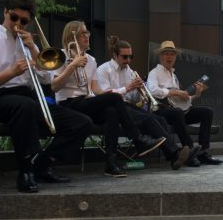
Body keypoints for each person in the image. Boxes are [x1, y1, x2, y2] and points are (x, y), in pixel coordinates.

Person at [0, 0, 93, 193]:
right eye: (14, 18)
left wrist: (34, 49)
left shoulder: (27, 44)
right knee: (25, 106)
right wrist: (12, 72)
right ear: (5, 12)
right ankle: (25, 172)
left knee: (82, 123)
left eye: (24, 21)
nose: (18, 24)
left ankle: (42, 163)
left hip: (28, 99)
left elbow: (47, 79)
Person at [52, 21, 166, 177]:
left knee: (112, 111)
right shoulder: (61, 55)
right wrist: (72, 66)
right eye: (82, 33)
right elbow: (54, 87)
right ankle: (138, 139)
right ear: (72, 36)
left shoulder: (91, 60)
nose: (87, 36)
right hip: (68, 103)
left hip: (86, 101)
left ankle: (111, 163)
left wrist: (110, 95)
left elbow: (95, 89)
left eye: (87, 33)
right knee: (114, 99)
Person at [94, 36, 194, 170]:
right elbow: (105, 95)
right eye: (125, 57)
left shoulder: (128, 71)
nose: (128, 61)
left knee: (158, 119)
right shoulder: (104, 69)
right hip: (112, 107)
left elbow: (133, 98)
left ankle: (173, 157)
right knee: (148, 119)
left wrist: (139, 90)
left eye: (131, 57)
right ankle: (174, 153)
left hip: (126, 105)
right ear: (115, 55)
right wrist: (128, 87)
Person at [146, 40, 222, 166]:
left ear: (175, 57)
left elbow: (180, 100)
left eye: (172, 54)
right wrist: (174, 92)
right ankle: (190, 150)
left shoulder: (173, 75)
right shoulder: (154, 73)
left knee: (207, 112)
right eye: (166, 54)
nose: (169, 57)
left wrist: (196, 95)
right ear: (160, 56)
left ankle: (203, 152)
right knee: (177, 113)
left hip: (177, 111)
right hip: (161, 111)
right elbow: (152, 90)